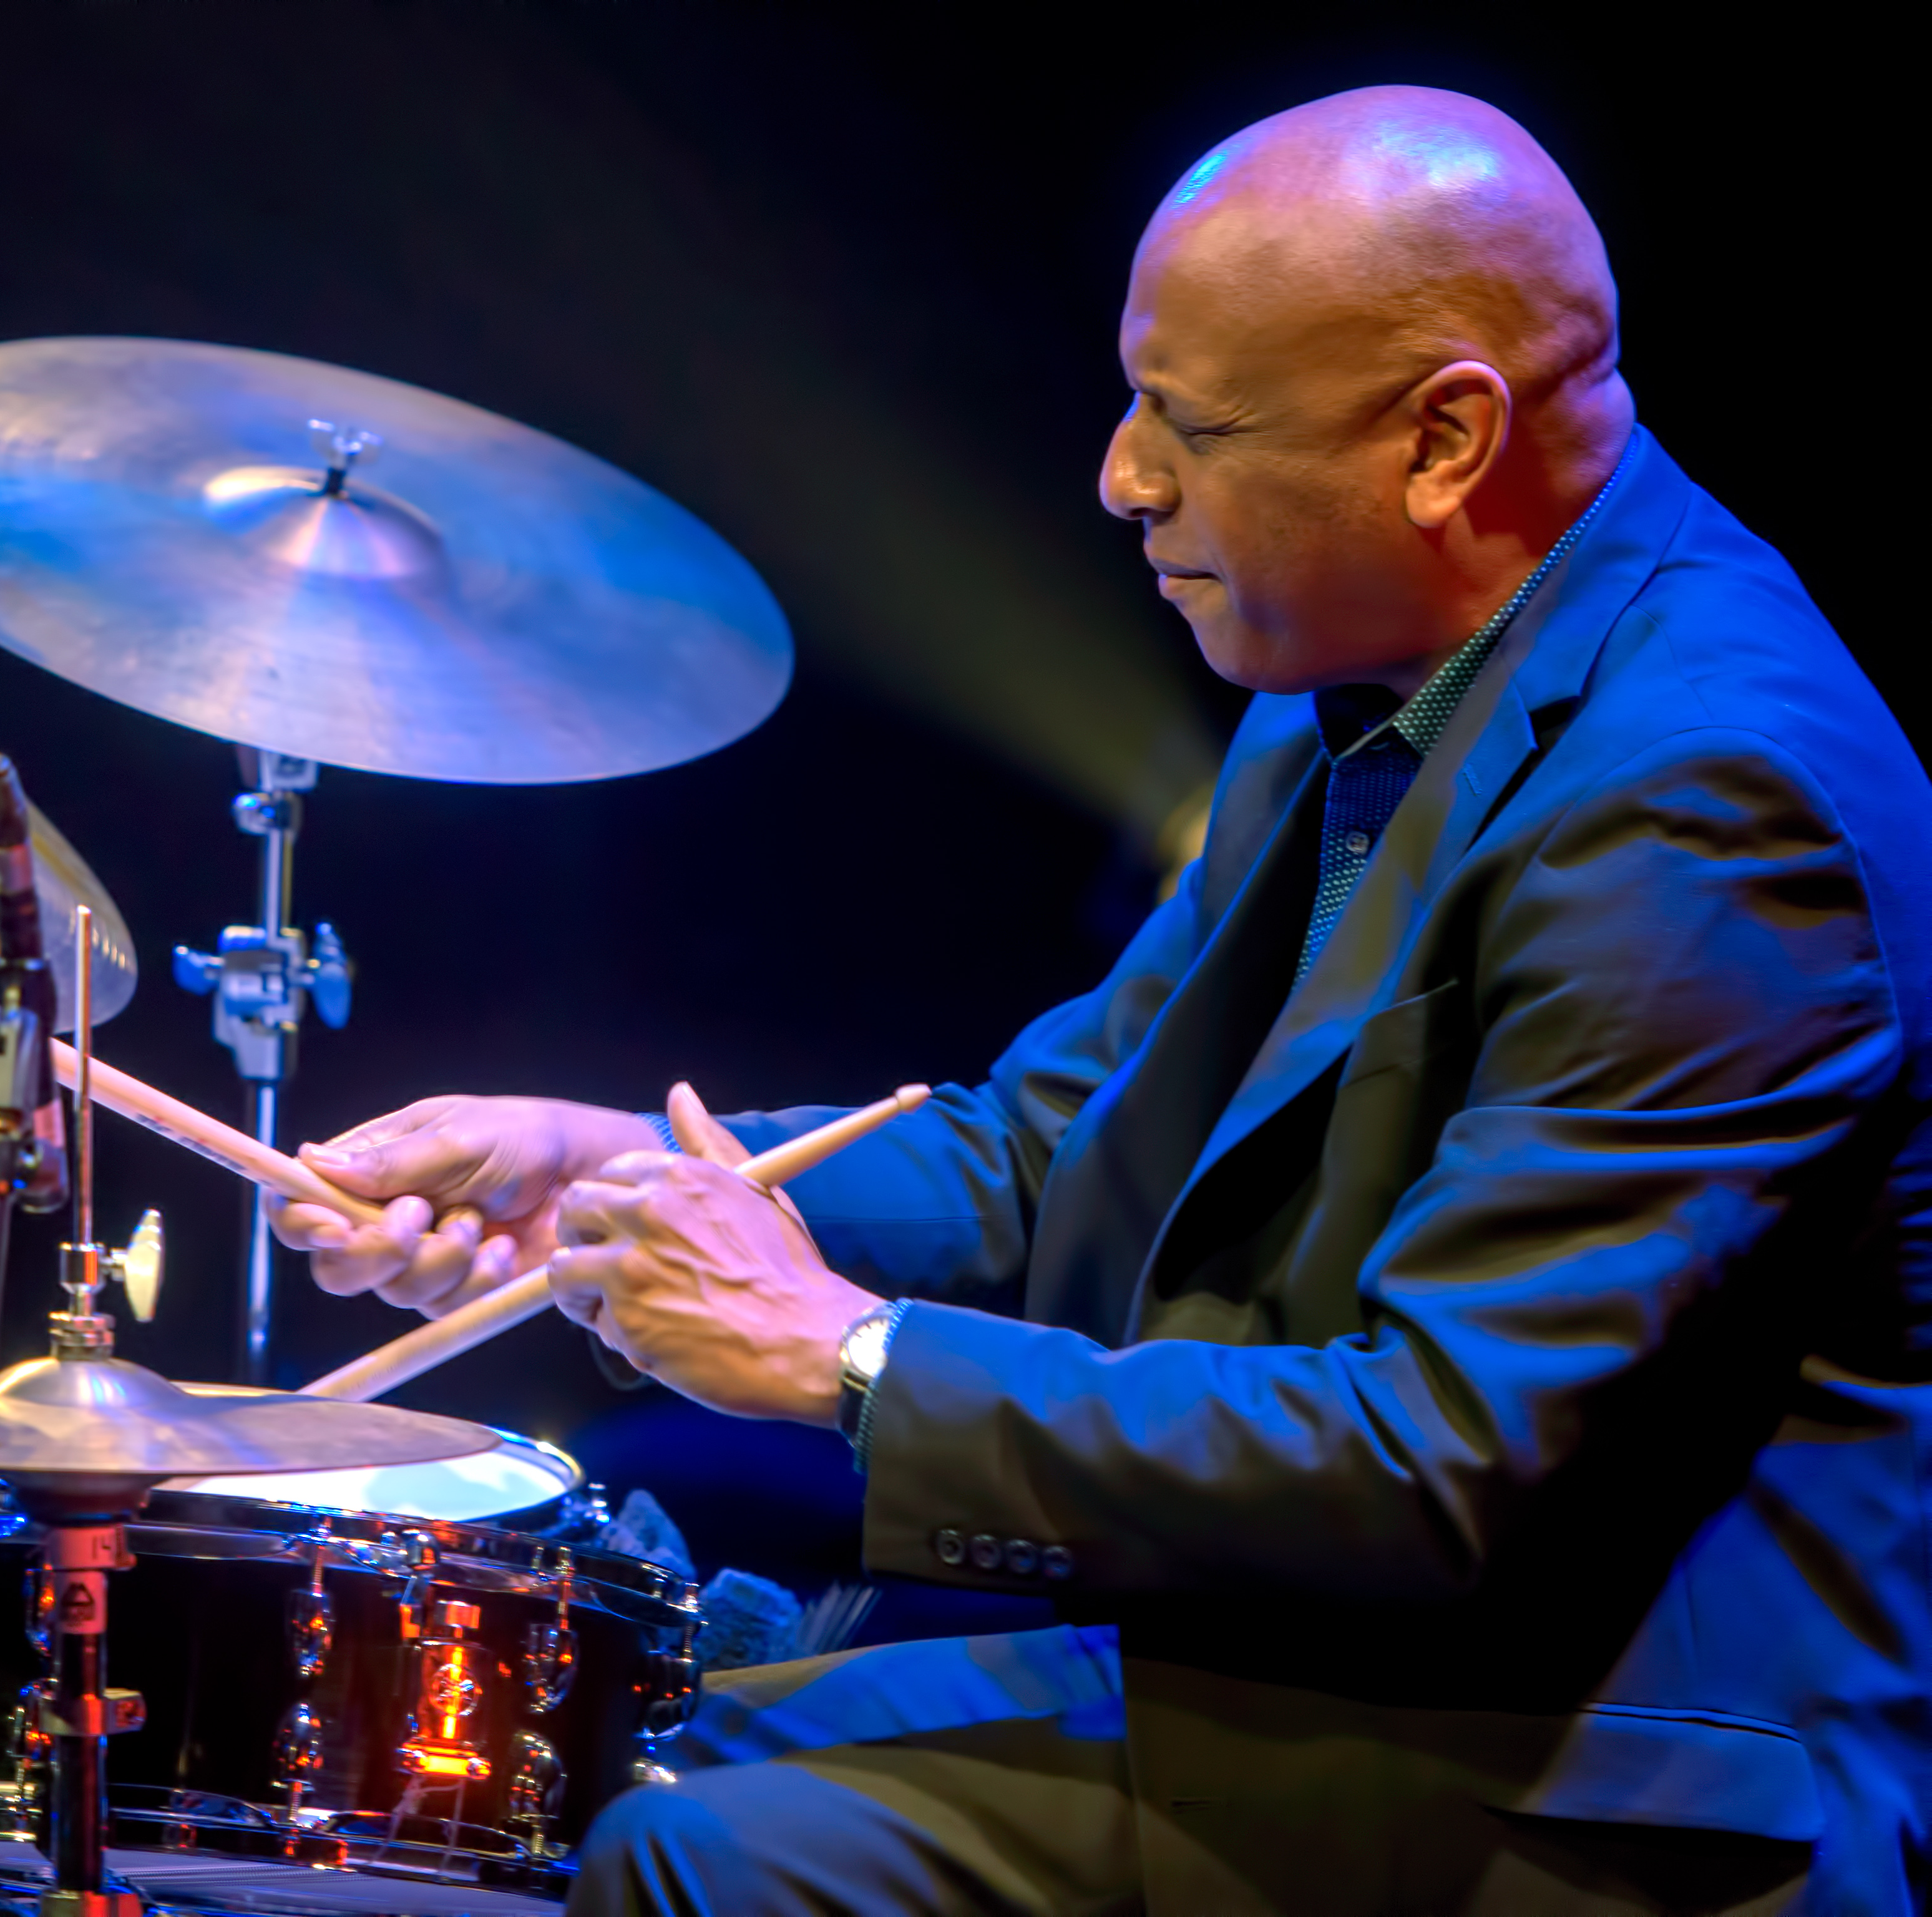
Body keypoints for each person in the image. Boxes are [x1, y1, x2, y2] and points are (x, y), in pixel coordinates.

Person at [273, 86, 1932, 1915]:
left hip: (1602, 1778)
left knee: (689, 1853)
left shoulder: (1704, 799)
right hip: (1349, 1677)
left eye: (1193, 424)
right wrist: (610, 1188)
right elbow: (1057, 1144)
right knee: (620, 1737)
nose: (1122, 475)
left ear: (1447, 438)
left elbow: (1436, 1464)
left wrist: (842, 1356)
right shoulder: (1369, 669)